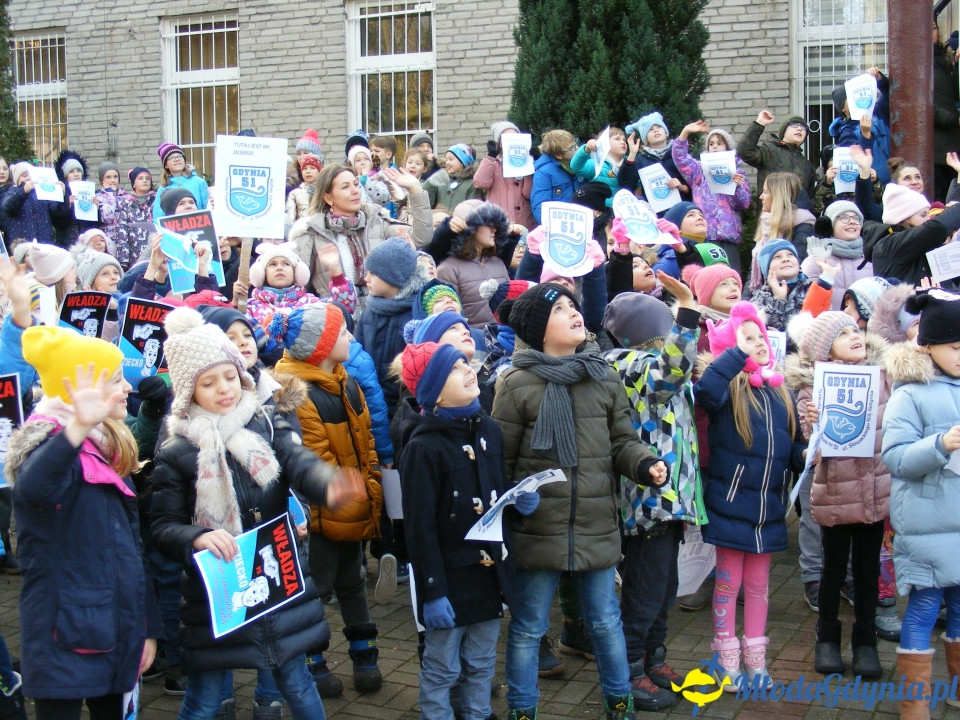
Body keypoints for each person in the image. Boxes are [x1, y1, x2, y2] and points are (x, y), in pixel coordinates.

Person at [149, 307, 366, 720]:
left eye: (230, 376)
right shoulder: (177, 451)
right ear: (187, 391)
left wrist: (328, 484)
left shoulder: (266, 422)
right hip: (216, 588)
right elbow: (161, 527)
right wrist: (195, 537)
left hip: (275, 577)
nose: (224, 389)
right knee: (205, 696)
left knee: (297, 684)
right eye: (208, 382)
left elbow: (297, 462)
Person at [491, 283, 668, 720]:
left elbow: (622, 441)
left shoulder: (602, 375)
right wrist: (513, 506)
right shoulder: (515, 383)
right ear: (538, 328)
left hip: (596, 523)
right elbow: (501, 461)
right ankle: (522, 709)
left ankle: (619, 704)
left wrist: (644, 463)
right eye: (560, 308)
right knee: (530, 627)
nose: (574, 313)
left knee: (606, 622)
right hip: (537, 530)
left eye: (574, 305)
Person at [9, 326, 161, 719]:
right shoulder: (51, 448)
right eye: (115, 379)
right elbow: (33, 492)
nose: (128, 386)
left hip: (117, 628)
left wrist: (148, 628)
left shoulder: (106, 449)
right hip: (67, 632)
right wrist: (76, 428)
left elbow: (133, 548)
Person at [399, 340, 527, 720]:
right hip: (450, 577)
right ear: (433, 392)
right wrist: (432, 592)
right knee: (442, 666)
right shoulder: (423, 448)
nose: (469, 370)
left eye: (467, 363)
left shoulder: (488, 428)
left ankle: (478, 713)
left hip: (489, 573)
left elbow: (493, 495)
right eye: (454, 369)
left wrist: (516, 507)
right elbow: (419, 530)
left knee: (483, 660)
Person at [272, 305, 384, 696]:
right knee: (314, 588)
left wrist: (369, 489)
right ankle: (311, 660)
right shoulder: (294, 393)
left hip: (350, 505)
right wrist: (352, 498)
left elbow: (365, 440)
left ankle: (363, 652)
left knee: (353, 580)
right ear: (319, 347)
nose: (350, 339)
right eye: (342, 335)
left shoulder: (346, 382)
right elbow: (314, 462)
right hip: (318, 514)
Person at [603, 281, 705, 712]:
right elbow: (668, 375)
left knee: (664, 589)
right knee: (644, 595)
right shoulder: (626, 364)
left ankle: (654, 658)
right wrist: (686, 310)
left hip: (669, 501)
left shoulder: (648, 361)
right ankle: (627, 673)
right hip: (647, 502)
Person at [694, 301, 806, 690]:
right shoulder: (727, 390)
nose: (758, 342)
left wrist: (804, 454)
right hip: (729, 506)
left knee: (759, 588)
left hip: (767, 512)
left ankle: (756, 659)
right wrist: (736, 354)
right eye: (747, 337)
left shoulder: (780, 392)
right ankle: (727, 660)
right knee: (728, 586)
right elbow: (704, 390)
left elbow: (789, 446)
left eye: (760, 336)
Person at [786, 312, 889, 679]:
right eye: (842, 334)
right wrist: (813, 424)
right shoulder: (812, 389)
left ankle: (865, 641)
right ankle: (827, 637)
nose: (854, 336)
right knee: (832, 571)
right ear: (823, 349)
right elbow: (812, 453)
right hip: (832, 495)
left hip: (875, 493)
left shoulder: (884, 376)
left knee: (867, 572)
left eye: (854, 330)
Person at [881, 289, 960, 720]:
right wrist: (940, 444)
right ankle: (914, 704)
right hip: (928, 524)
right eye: (955, 347)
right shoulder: (910, 394)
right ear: (928, 346)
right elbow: (895, 459)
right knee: (926, 607)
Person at [290, 165, 431, 300]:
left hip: (379, 315)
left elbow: (421, 238)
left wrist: (416, 190)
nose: (355, 191)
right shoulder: (311, 232)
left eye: (356, 184)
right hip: (338, 319)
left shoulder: (376, 220)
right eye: (345, 187)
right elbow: (297, 287)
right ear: (328, 198)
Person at [672, 121, 751, 270]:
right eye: (711, 144)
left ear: (727, 147)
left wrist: (737, 187)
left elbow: (744, 203)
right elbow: (680, 158)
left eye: (719, 143)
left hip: (728, 238)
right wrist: (685, 132)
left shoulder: (738, 173)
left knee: (730, 276)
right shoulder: (698, 170)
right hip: (705, 237)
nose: (714, 146)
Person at [435, 200, 511, 329]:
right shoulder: (448, 268)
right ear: (470, 228)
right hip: (473, 344)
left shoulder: (497, 263)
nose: (494, 230)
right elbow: (449, 319)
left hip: (503, 341)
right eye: (488, 225)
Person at [749, 172, 815, 290]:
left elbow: (796, 270)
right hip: (765, 295)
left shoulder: (803, 227)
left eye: (765, 192)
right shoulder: (767, 224)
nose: (761, 197)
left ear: (778, 196)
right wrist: (746, 302)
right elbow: (754, 271)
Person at [802, 201, 873, 310]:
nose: (852, 222)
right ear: (829, 225)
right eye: (844, 218)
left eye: (856, 218)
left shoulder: (870, 259)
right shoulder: (816, 260)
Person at [736, 109, 816, 201]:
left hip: (796, 214)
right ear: (784, 130)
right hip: (770, 213)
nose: (799, 128)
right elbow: (744, 151)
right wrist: (759, 124)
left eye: (803, 127)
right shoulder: (769, 151)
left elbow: (810, 199)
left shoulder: (808, 166)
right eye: (794, 124)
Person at [473, 121, 535, 229]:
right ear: (499, 141)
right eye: (506, 137)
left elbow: (528, 193)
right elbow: (480, 183)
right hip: (498, 221)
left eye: (515, 136)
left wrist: (528, 167)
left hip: (523, 221)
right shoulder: (493, 162)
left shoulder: (524, 161)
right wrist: (490, 157)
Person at [530, 130, 581, 224]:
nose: (577, 148)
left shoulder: (580, 165)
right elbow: (540, 207)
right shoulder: (544, 173)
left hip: (582, 221)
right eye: (572, 148)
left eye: (576, 143)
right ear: (558, 155)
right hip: (560, 226)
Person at [114, 167, 156, 270]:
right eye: (140, 178)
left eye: (147, 178)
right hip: (134, 257)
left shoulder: (156, 202)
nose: (145, 180)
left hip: (154, 253)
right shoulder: (125, 205)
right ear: (133, 184)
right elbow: (122, 234)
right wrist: (124, 261)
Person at [153, 143, 209, 219]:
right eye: (171, 157)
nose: (177, 159)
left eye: (179, 156)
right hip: (173, 229)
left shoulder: (199, 182)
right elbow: (158, 216)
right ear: (166, 165)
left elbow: (208, 208)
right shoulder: (163, 188)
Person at [424, 144, 482, 212]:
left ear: (463, 162)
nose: (447, 163)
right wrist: (431, 182)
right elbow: (426, 200)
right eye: (446, 160)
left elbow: (474, 210)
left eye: (451, 159)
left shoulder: (471, 184)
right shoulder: (442, 182)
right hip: (440, 221)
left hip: (459, 221)